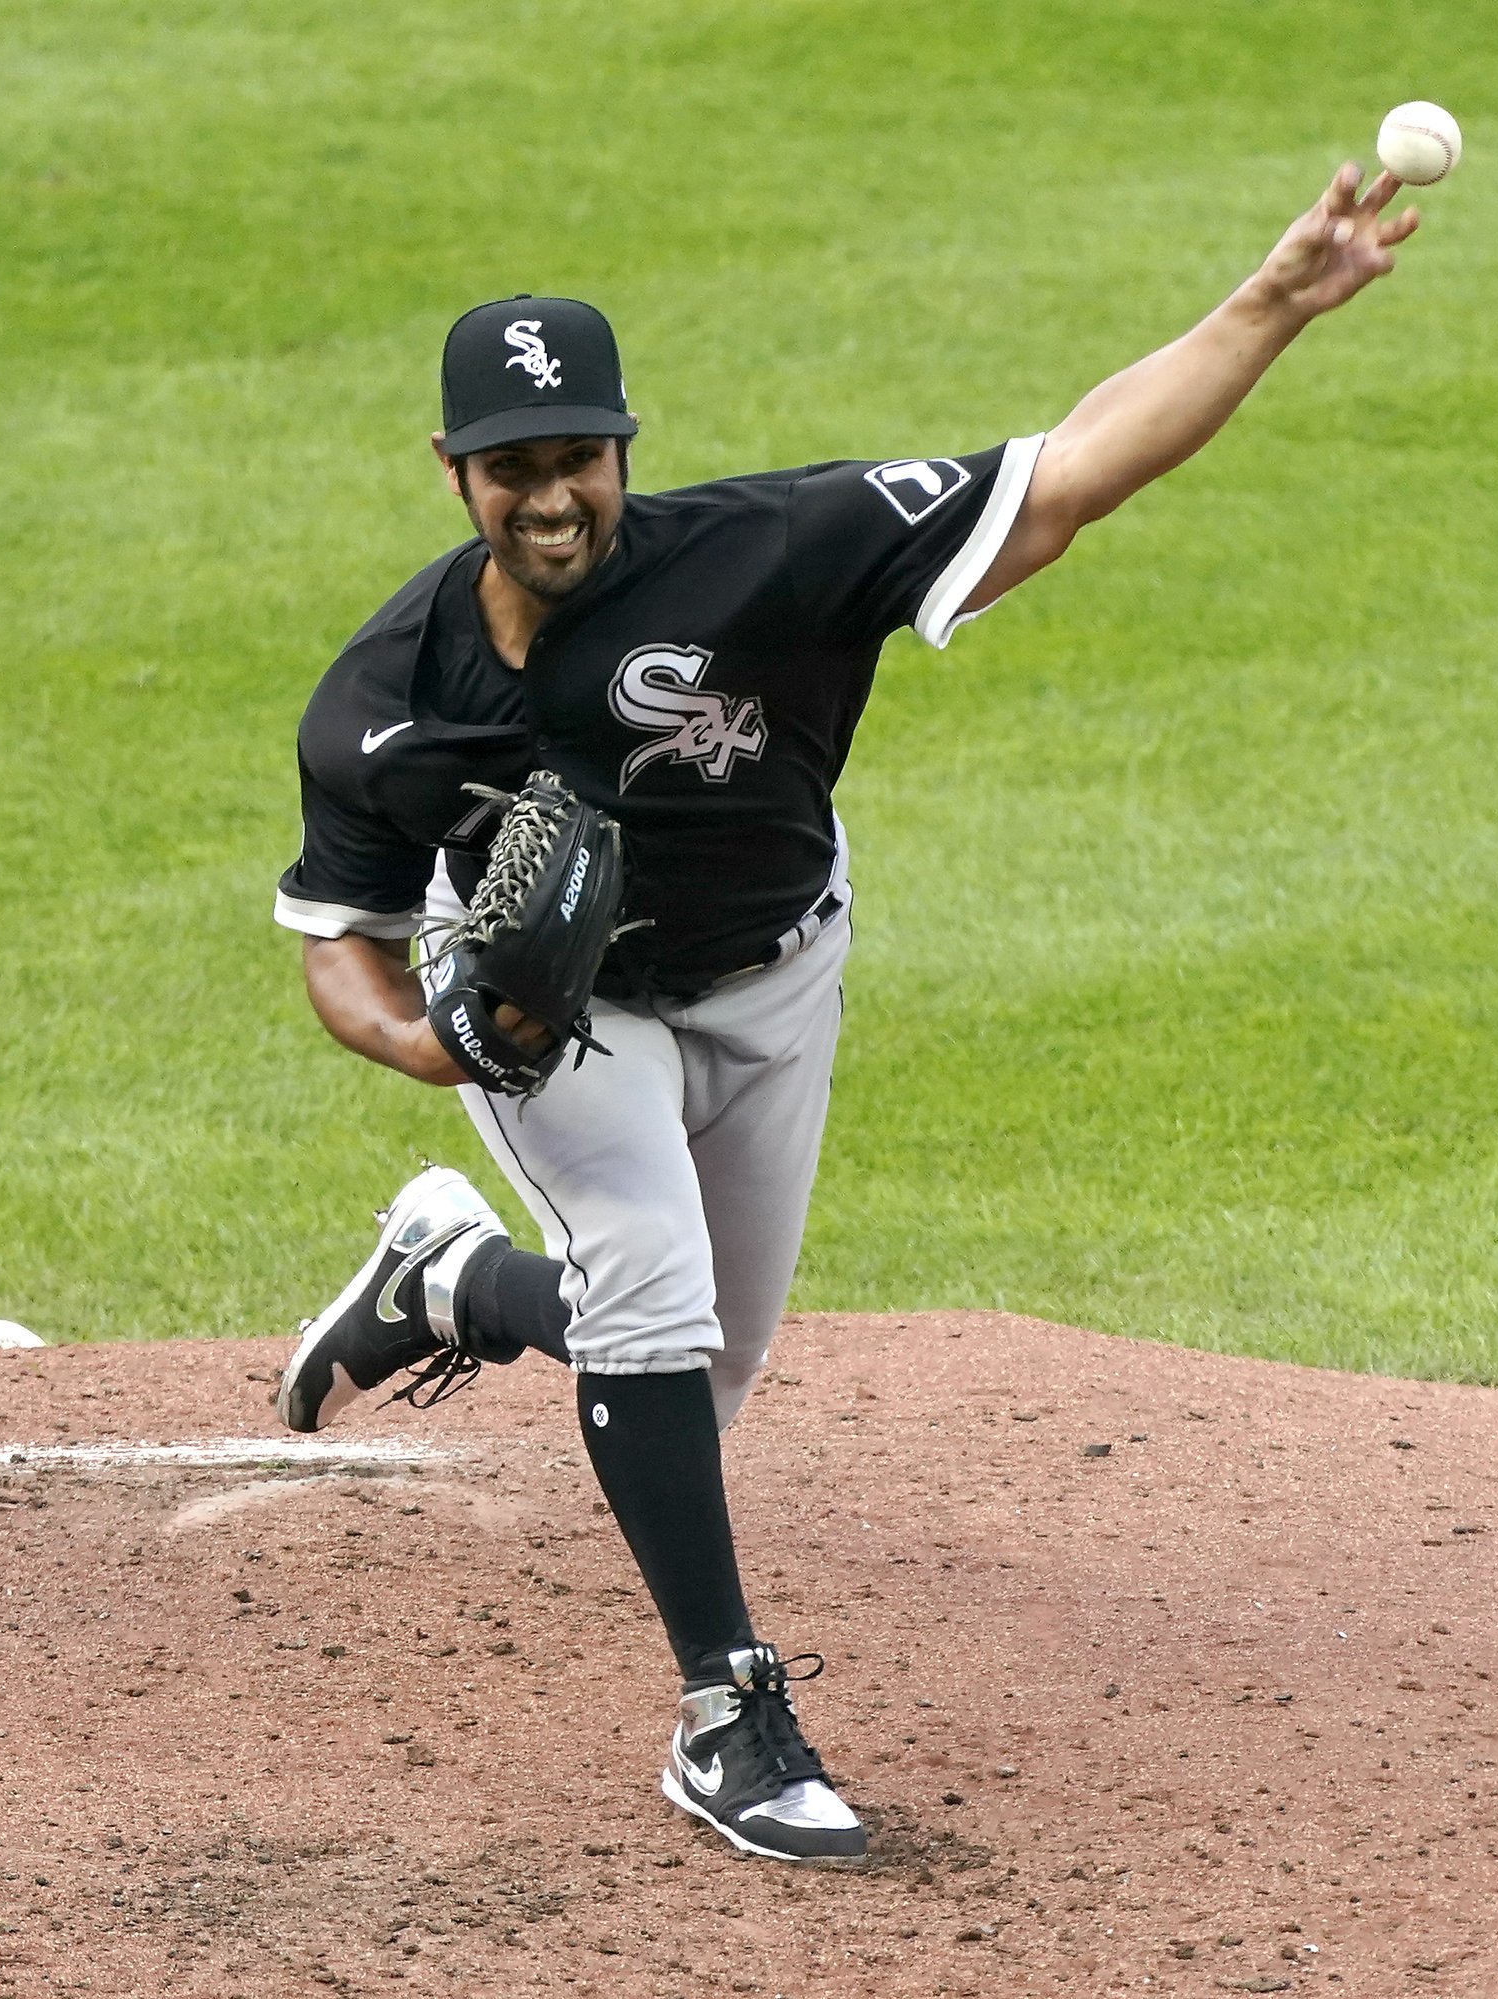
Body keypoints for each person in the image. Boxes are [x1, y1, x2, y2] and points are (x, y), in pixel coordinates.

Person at [267, 163, 1426, 1863]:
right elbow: (334, 945)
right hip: (557, 1015)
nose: (551, 496)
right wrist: (431, 1042)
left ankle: (448, 1274)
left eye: (577, 456)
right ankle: (728, 1712)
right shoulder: (382, 705)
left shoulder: (772, 553)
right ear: (455, 473)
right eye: (513, 467)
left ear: (621, 451)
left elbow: (1069, 475)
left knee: (706, 1366)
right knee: (649, 1285)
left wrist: (1268, 306)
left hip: (776, 966)